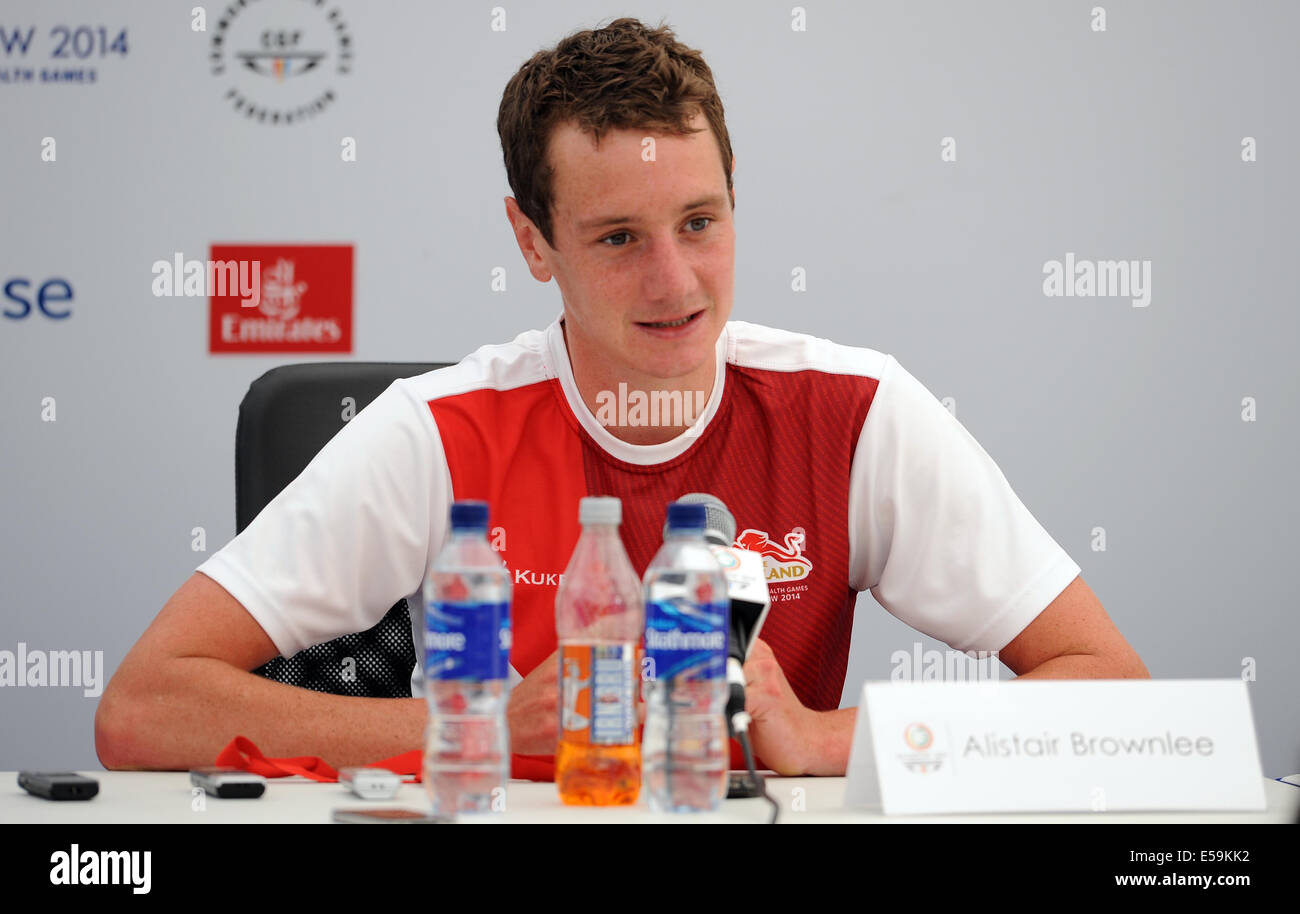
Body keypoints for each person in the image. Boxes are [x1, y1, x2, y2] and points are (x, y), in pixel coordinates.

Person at [95, 17, 1147, 778]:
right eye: (616, 239)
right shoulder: (438, 431)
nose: (676, 283)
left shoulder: (855, 412)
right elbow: (143, 707)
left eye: (700, 221)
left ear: (737, 198)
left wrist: (839, 736)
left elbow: (1109, 686)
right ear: (532, 240)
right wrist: (480, 727)